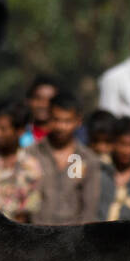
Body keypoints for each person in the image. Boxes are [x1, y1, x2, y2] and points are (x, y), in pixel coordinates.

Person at [29, 92, 101, 225]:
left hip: (72, 239)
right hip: (34, 236)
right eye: (56, 120)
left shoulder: (88, 159)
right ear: (48, 118)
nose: (61, 126)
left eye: (67, 121)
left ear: (78, 121)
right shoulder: (32, 154)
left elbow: (89, 210)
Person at [19, 76, 59, 147]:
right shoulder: (18, 135)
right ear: (28, 101)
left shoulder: (65, 138)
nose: (43, 105)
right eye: (38, 98)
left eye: (50, 100)